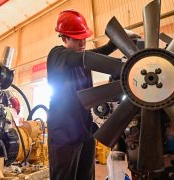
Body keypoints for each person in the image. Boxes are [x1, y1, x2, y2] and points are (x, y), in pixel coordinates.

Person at [47, 9, 139, 180]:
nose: (82, 42)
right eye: (77, 38)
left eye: (84, 38)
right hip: (64, 134)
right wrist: (119, 54)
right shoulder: (57, 55)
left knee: (86, 176)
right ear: (64, 38)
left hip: (84, 132)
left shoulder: (84, 60)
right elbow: (87, 58)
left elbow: (92, 56)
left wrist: (115, 43)